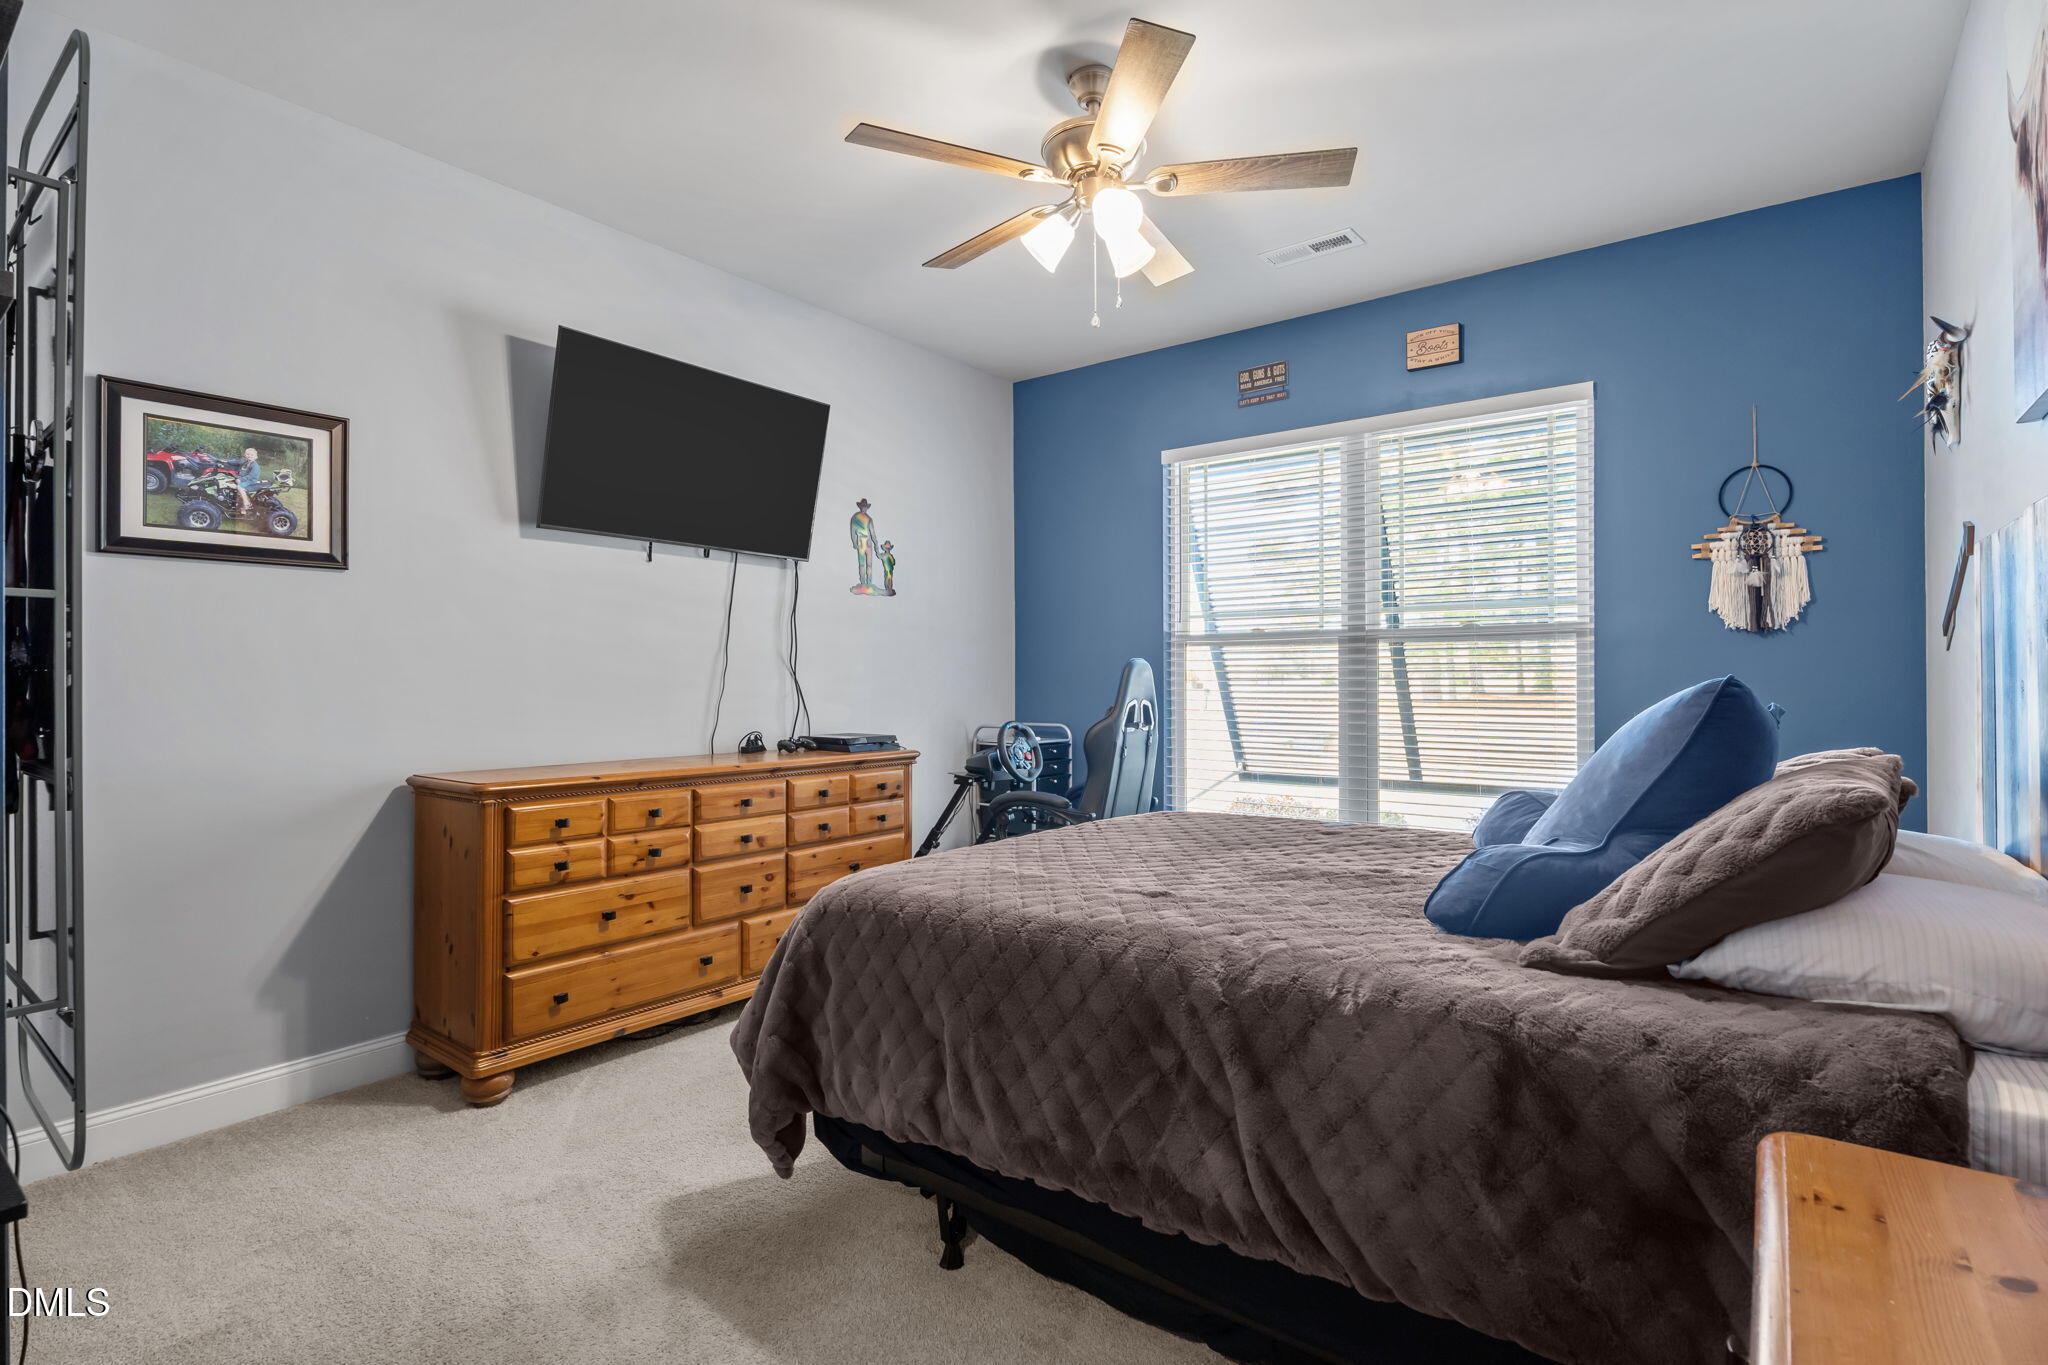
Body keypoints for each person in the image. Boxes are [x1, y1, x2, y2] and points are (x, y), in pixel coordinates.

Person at [231, 447, 262, 518]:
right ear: (245, 455)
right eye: (248, 454)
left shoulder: (255, 465)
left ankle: (246, 503)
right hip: (245, 479)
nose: (249, 456)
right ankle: (239, 506)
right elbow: (242, 472)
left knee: (239, 487)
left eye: (252, 455)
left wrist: (241, 480)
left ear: (256, 457)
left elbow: (251, 476)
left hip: (251, 481)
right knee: (231, 485)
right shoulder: (246, 463)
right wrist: (237, 477)